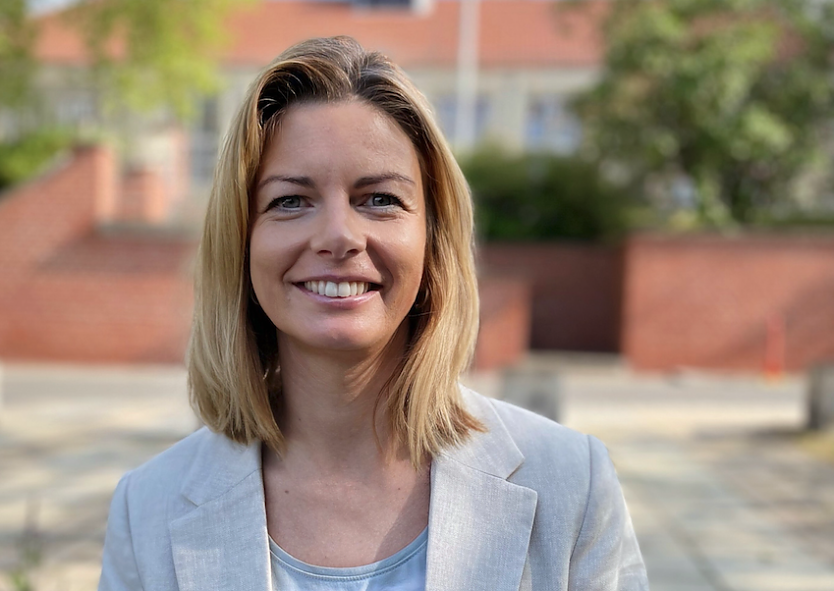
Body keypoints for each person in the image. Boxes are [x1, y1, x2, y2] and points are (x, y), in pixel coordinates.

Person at [98, 36, 648, 591]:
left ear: (433, 240)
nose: (338, 236)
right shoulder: (148, 510)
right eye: (290, 200)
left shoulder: (572, 482)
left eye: (380, 199)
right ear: (241, 242)